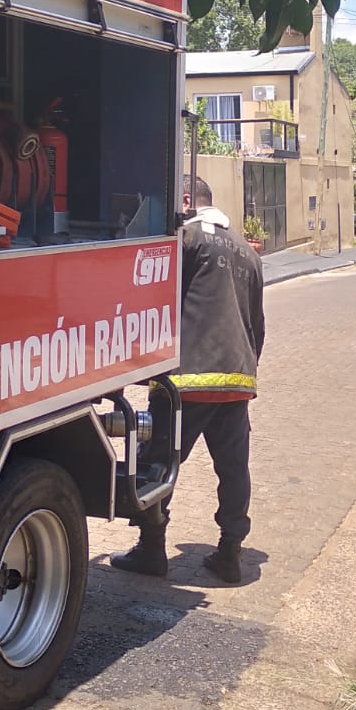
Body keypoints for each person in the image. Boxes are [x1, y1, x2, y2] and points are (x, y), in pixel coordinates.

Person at [111, 177, 265, 584]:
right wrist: (246, 373)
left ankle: (151, 548)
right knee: (233, 470)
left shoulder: (186, 238)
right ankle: (230, 553)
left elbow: (151, 297)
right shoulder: (248, 252)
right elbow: (258, 325)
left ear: (184, 201)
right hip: (236, 379)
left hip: (185, 380)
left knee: (159, 464)